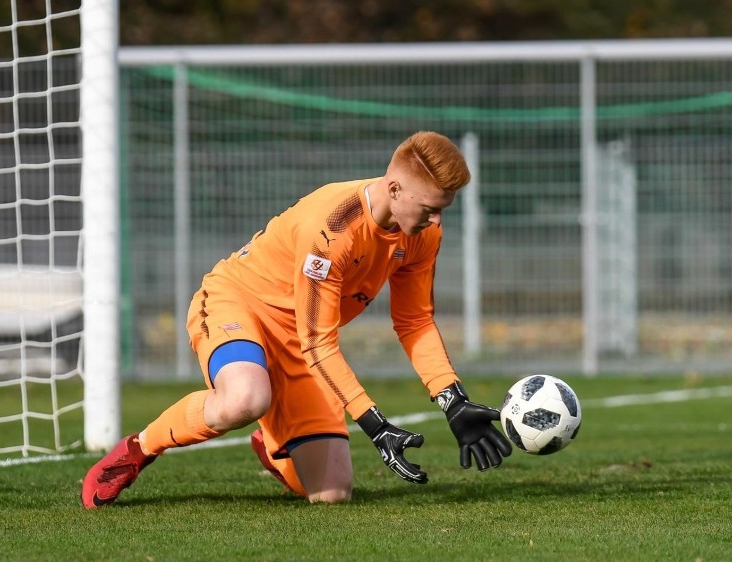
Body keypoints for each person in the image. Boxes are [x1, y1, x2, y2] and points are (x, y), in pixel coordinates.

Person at [81, 131, 512, 508]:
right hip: (241, 305)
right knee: (245, 400)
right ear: (395, 188)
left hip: (302, 339)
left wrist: (451, 399)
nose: (437, 220)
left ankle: (273, 442)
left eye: (444, 209)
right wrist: (375, 425)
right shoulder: (333, 230)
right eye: (430, 208)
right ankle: (139, 448)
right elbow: (320, 345)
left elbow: (415, 321)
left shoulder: (422, 234)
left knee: (333, 494)